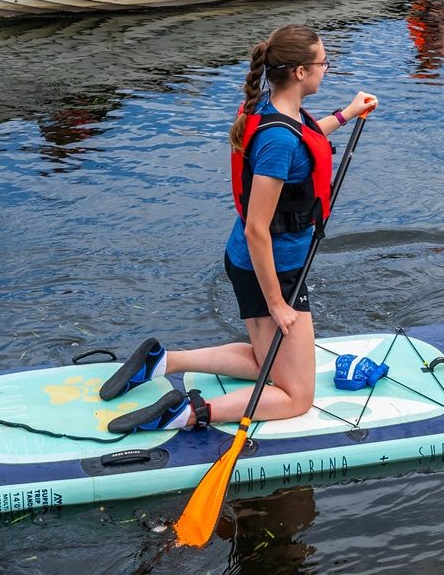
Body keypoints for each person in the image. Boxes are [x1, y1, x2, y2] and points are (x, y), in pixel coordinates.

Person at [99, 25, 379, 433]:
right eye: (323, 62)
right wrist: (278, 304)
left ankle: (162, 362)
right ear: (300, 72)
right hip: (271, 269)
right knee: (296, 396)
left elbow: (301, 144)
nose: (327, 69)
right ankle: (188, 413)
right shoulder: (277, 140)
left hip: (255, 264)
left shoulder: (269, 110)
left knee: (264, 358)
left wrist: (345, 114)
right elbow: (257, 228)